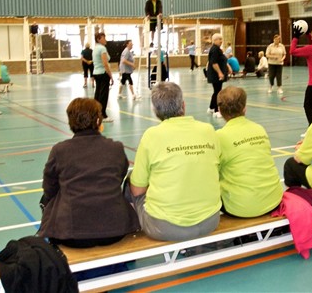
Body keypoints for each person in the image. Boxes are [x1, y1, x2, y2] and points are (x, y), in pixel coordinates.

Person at [38, 98, 140, 248]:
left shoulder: (60, 150)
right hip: (115, 231)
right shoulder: (115, 148)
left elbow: (49, 188)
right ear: (99, 120)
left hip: (71, 235)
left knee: (47, 198)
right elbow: (118, 177)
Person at [128, 82, 221, 241]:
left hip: (165, 227)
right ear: (183, 106)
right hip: (210, 221)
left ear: (155, 111)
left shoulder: (151, 136)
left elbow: (137, 191)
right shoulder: (208, 130)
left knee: (130, 185)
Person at [216, 86, 283, 217]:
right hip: (274, 200)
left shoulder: (219, 137)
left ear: (219, 110)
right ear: (244, 108)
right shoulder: (259, 129)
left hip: (241, 208)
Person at [206, 33, 231, 118]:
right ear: (214, 40)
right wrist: (220, 73)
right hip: (215, 75)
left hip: (217, 74)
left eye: (221, 39)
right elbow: (214, 63)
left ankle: (211, 107)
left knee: (216, 91)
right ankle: (217, 111)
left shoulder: (218, 49)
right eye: (219, 39)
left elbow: (222, 59)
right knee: (218, 92)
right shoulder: (215, 49)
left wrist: (228, 67)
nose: (221, 41)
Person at [92, 32, 114, 122]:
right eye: (103, 38)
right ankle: (103, 115)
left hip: (96, 73)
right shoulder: (102, 48)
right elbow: (105, 63)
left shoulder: (95, 48)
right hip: (103, 73)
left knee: (97, 94)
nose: (105, 40)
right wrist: (110, 75)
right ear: (98, 39)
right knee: (103, 95)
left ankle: (95, 113)